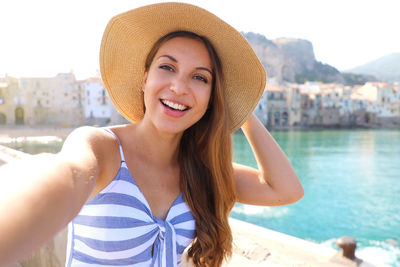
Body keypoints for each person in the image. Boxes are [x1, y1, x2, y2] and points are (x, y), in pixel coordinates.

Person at [0, 2, 303, 267]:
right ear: (144, 78)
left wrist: (240, 105)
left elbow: (285, 190)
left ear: (213, 96)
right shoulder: (101, 147)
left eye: (200, 77)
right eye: (167, 67)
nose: (179, 87)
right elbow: (62, 176)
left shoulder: (205, 171)